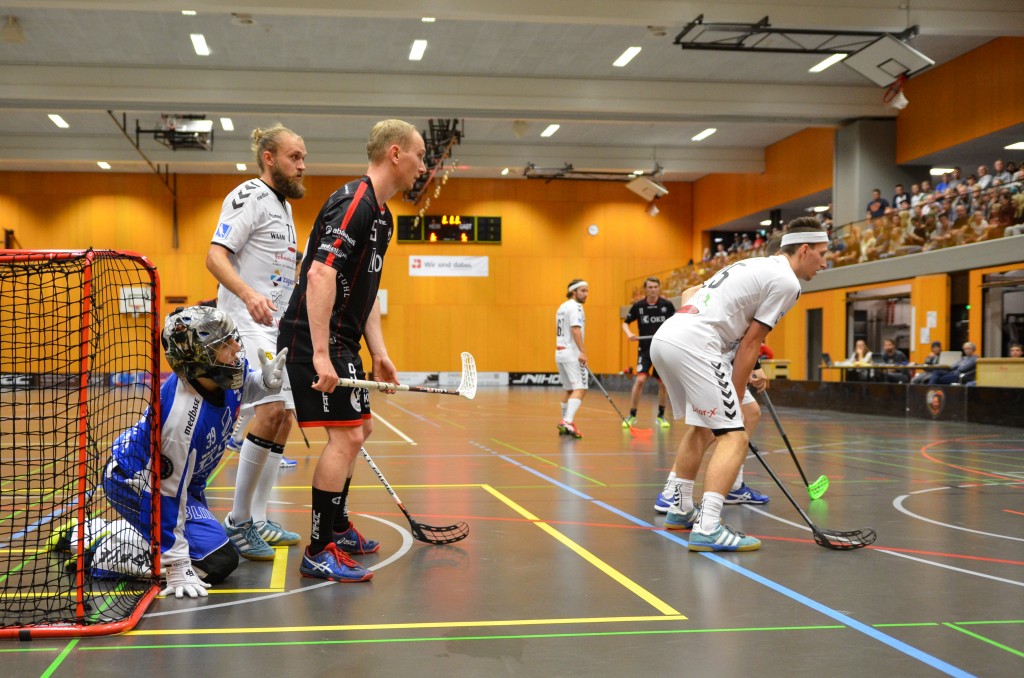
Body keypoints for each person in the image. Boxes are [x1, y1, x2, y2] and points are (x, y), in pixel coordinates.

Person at [278, 119, 425, 583]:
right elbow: (320, 276)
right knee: (344, 438)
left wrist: (379, 352)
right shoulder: (355, 203)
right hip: (312, 336)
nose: (424, 167)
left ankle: (338, 527)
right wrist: (320, 354)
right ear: (396, 154)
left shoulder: (383, 217)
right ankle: (318, 549)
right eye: (420, 157)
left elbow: (366, 294)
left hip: (342, 338)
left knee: (359, 429)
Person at [64, 306, 288, 598]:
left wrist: (264, 383)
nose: (236, 347)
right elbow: (166, 494)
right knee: (217, 563)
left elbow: (245, 386)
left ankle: (100, 529)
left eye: (232, 338)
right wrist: (176, 563)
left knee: (214, 549)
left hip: (185, 486)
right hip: (139, 485)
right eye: (224, 344)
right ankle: (99, 548)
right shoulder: (180, 419)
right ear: (198, 358)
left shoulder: (222, 372)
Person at [651, 217, 827, 551]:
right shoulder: (788, 283)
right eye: (821, 252)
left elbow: (690, 292)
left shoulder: (751, 263)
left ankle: (681, 508)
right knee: (734, 435)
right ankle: (709, 527)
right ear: (804, 250)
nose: (825, 261)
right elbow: (750, 345)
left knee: (702, 427)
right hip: (697, 346)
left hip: (667, 338)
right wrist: (734, 389)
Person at [206, 124, 307, 560]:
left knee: (283, 416)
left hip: (277, 328)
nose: (302, 166)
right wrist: (248, 295)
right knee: (269, 410)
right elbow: (215, 255)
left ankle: (259, 517)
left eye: (303, 158)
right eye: (294, 157)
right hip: (247, 323)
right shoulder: (248, 195)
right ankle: (239, 519)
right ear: (269, 157)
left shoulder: (284, 209)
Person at [621, 277, 675, 429]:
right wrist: (629, 334)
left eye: (655, 287)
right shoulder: (639, 306)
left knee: (663, 383)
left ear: (659, 288)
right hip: (645, 350)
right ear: (645, 289)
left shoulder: (667, 305)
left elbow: (676, 322)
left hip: (662, 350)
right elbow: (625, 323)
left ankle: (661, 416)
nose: (653, 290)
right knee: (640, 381)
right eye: (650, 287)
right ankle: (632, 415)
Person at [555, 279, 589, 438]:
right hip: (571, 354)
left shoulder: (562, 306)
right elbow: (576, 329)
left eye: (587, 290)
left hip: (560, 352)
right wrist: (582, 352)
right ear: (573, 292)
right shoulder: (576, 307)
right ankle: (567, 421)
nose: (586, 294)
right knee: (580, 389)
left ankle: (564, 420)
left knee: (569, 389)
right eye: (583, 291)